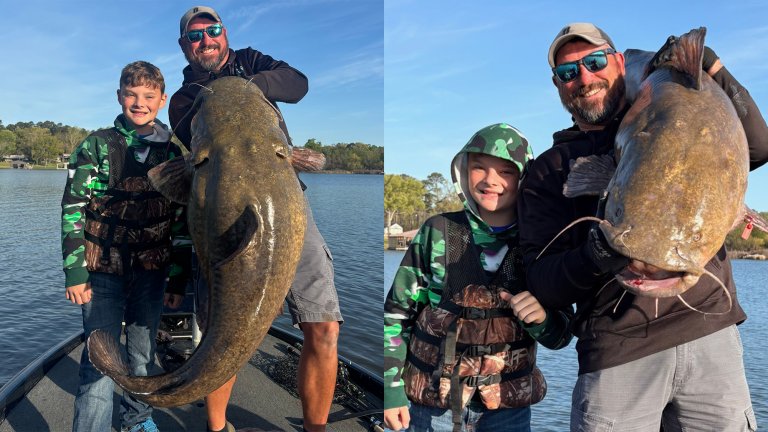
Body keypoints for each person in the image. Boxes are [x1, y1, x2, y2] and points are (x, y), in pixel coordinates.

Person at [518, 22, 768, 431]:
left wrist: (712, 68)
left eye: (594, 62)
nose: (584, 78)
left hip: (709, 334)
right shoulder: (549, 171)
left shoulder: (675, 117)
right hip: (618, 351)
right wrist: (595, 254)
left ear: (618, 62)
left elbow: (757, 146)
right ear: (558, 86)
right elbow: (543, 282)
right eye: (568, 73)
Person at [167, 7, 343, 432]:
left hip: (290, 210)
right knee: (223, 332)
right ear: (184, 46)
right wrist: (228, 97)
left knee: (323, 325)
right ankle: (216, 427)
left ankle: (314, 429)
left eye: (213, 31)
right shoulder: (183, 97)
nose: (206, 40)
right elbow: (194, 141)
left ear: (224, 34)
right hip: (221, 221)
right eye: (195, 36)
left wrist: (249, 84)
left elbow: (297, 85)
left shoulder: (251, 61)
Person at [383, 123, 574, 432]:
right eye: (479, 168)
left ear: (524, 178)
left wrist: (542, 320)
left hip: (507, 411)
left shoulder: (543, 242)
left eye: (506, 172)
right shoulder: (436, 231)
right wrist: (391, 391)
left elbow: (562, 335)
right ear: (463, 171)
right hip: (431, 406)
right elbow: (395, 315)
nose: (490, 181)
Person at [61, 61, 186, 432]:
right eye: (131, 94)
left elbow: (180, 222)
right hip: (101, 273)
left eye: (148, 96)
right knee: (100, 361)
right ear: (119, 97)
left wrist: (177, 279)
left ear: (161, 101)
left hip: (152, 272)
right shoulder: (96, 146)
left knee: (142, 356)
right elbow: (72, 209)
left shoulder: (173, 156)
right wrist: (75, 271)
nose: (139, 102)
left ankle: (137, 420)